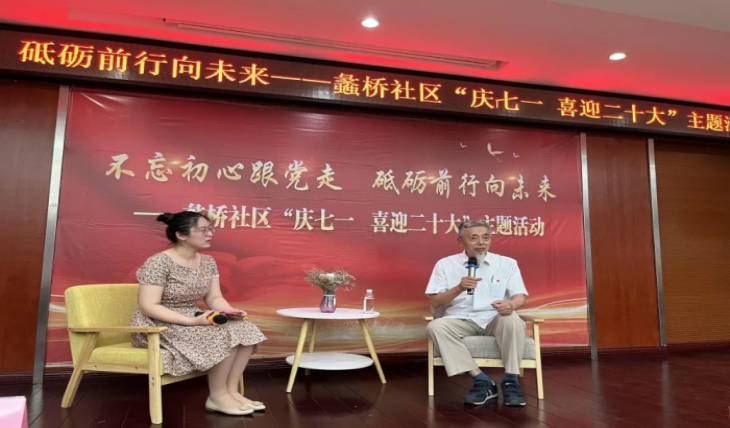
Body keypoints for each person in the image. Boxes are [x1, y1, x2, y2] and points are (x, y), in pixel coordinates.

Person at [131, 211, 267, 416]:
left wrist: (228, 310)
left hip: (194, 315)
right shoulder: (158, 263)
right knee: (221, 334)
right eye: (203, 230)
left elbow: (214, 297)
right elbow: (149, 306)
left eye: (211, 229)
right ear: (181, 235)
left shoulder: (208, 262)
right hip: (158, 322)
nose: (210, 234)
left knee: (245, 329)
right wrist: (190, 321)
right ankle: (217, 396)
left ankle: (231, 391)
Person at [425, 219, 529, 406]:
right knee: (435, 326)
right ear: (460, 241)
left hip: (493, 317)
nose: (481, 242)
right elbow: (435, 301)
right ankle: (482, 380)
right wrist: (458, 288)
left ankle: (511, 380)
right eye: (474, 238)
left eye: (486, 237)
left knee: (513, 319)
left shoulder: (507, 263)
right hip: (460, 318)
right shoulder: (445, 264)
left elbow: (520, 296)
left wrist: (511, 305)